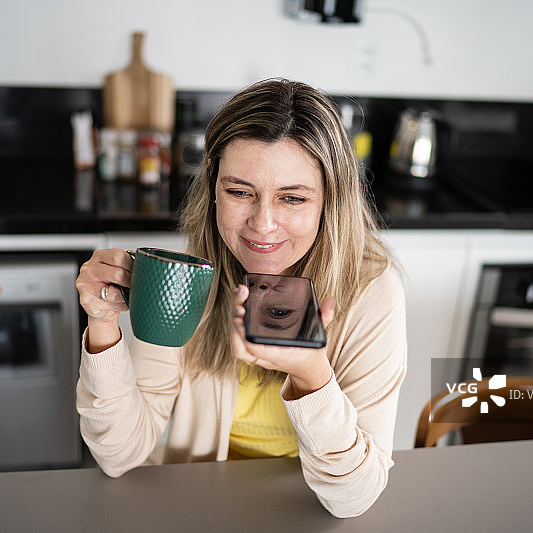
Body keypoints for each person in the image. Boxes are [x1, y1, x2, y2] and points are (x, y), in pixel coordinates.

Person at [74, 78, 407, 518]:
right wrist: (102, 324)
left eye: (292, 198)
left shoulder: (371, 291)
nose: (262, 224)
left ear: (330, 202)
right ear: (213, 188)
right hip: (199, 506)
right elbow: (118, 453)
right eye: (239, 192)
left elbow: (354, 498)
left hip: (304, 512)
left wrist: (311, 375)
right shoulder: (183, 279)